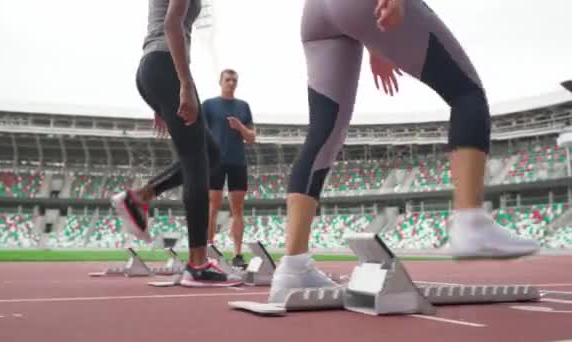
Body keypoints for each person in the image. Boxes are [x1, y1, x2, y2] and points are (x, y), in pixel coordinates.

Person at [268, 0, 541, 302]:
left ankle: (293, 265)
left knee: (324, 133)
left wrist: (374, 44)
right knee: (467, 94)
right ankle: (471, 221)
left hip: (317, 12)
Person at [111, 0, 242, 287]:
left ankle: (140, 197)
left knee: (210, 152)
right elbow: (171, 25)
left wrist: (162, 99)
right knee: (198, 160)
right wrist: (184, 85)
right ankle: (197, 264)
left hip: (151, 68)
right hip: (165, 65)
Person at [203, 69, 256, 269]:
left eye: (234, 80)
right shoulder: (208, 105)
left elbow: (251, 137)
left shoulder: (243, 106)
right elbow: (200, 132)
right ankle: (209, 249)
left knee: (238, 210)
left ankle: (237, 254)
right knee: (212, 206)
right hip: (215, 161)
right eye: (228, 79)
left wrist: (240, 127)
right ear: (220, 81)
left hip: (237, 161)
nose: (231, 83)